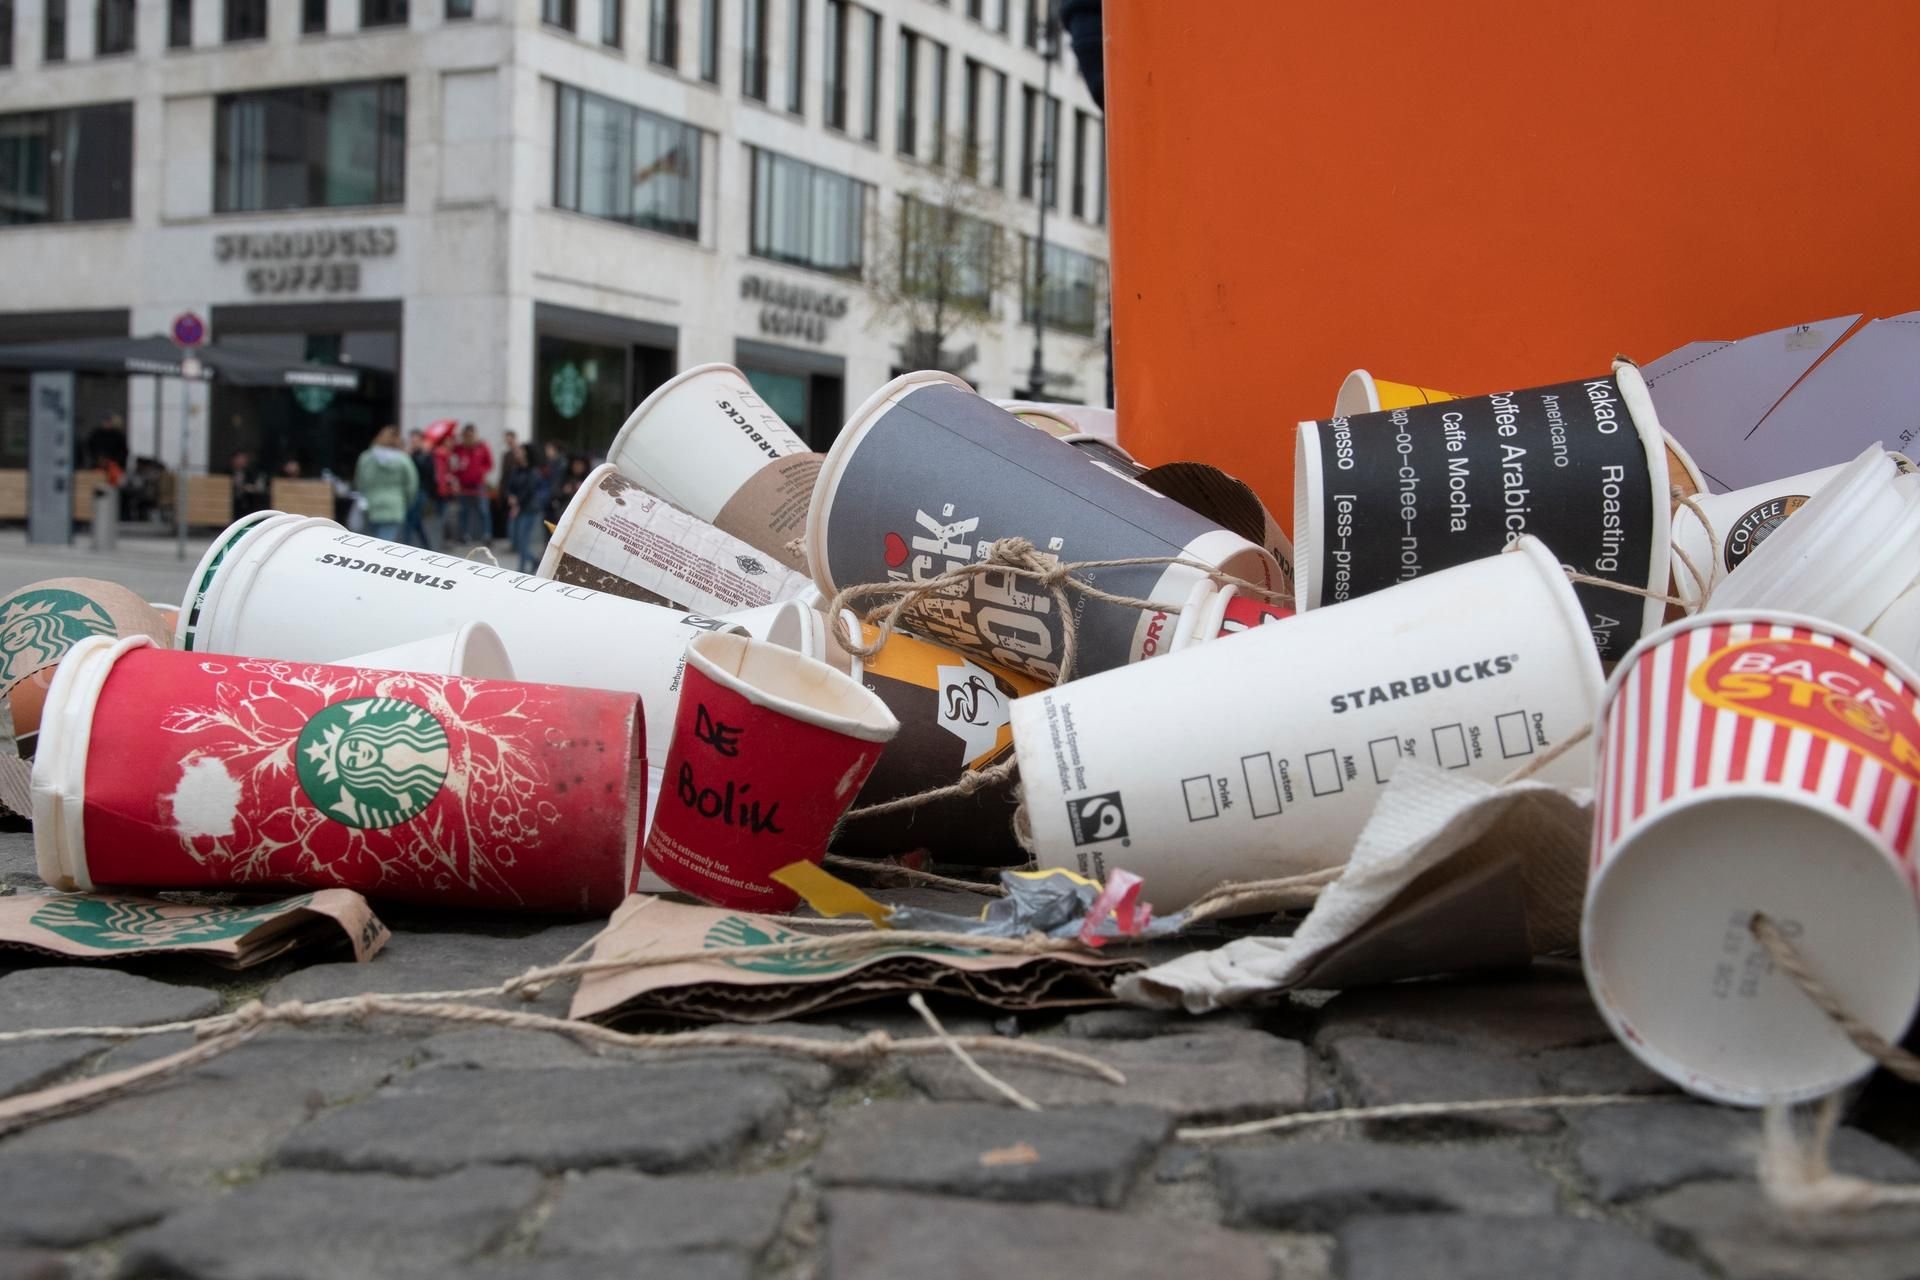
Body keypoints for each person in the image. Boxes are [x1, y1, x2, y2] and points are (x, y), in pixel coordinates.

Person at [352, 425, 418, 544]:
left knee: (373, 541)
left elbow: (360, 481)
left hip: (372, 505)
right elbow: (412, 484)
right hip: (395, 505)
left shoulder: (366, 457)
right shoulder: (403, 460)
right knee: (386, 543)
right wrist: (406, 501)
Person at [450, 423, 494, 546]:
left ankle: (487, 534)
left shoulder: (482, 447)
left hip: (478, 485)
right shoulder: (459, 448)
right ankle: (465, 534)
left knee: (483, 510)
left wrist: (480, 471)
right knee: (464, 511)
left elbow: (489, 464)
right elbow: (453, 462)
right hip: (464, 485)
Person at [505, 444, 546, 572]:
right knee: (516, 539)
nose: (517, 454)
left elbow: (529, 491)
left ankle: (522, 568)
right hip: (517, 508)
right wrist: (510, 497)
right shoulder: (516, 469)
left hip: (528, 509)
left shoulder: (533, 471)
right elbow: (509, 486)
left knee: (523, 540)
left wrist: (517, 504)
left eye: (520, 451)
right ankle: (533, 560)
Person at [402, 428, 435, 548]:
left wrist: (418, 457)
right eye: (412, 440)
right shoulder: (408, 455)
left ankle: (406, 545)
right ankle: (427, 546)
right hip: (411, 490)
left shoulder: (425, 455)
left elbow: (429, 472)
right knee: (415, 520)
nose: (413, 443)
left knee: (411, 518)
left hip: (421, 490)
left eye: (416, 441)